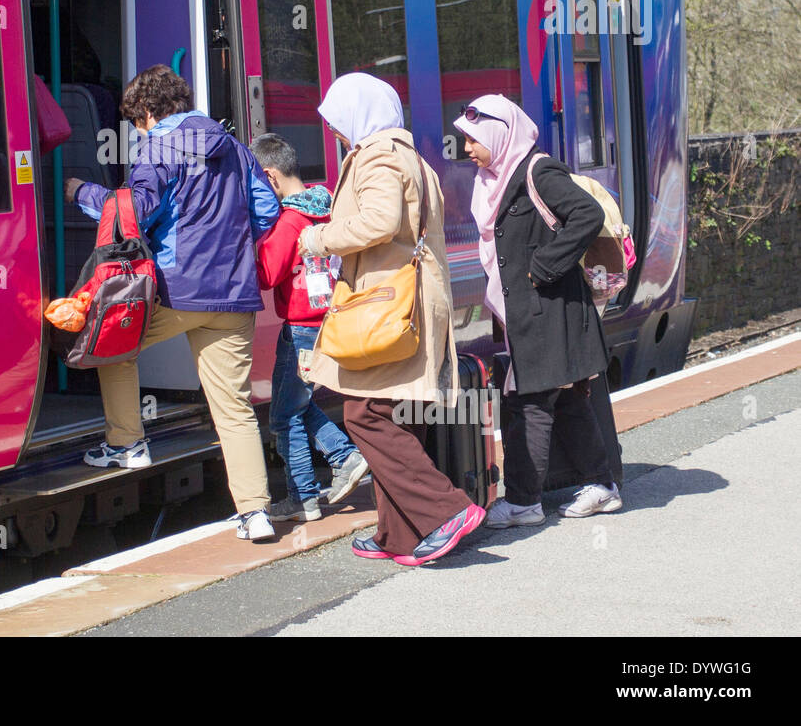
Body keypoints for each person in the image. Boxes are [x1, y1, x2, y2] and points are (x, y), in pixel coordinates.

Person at [64, 64, 282, 542]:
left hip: (176, 289)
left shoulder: (156, 149)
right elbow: (267, 211)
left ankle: (126, 442)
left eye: (136, 123)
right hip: (233, 292)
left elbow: (133, 214)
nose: (138, 131)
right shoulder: (236, 148)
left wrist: (82, 192)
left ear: (146, 112)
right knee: (234, 407)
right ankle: (255, 513)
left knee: (109, 340)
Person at [299, 73, 485, 565]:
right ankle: (398, 535)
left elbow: (380, 223)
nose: (337, 133)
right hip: (412, 300)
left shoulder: (378, 155)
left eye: (339, 122)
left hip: (389, 302)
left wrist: (318, 239)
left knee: (365, 414)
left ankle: (445, 511)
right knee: (399, 412)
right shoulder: (412, 158)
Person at [453, 94, 621, 527]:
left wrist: (544, 266)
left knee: (527, 403)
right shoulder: (494, 179)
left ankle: (525, 501)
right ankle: (601, 485)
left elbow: (586, 213)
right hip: (533, 313)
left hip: (551, 311)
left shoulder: (537, 170)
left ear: (498, 132)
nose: (466, 149)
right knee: (564, 399)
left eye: (473, 139)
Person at [251, 132, 369, 522]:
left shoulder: (289, 222)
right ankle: (343, 458)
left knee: (284, 415)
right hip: (327, 320)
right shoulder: (329, 206)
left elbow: (267, 274)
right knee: (297, 404)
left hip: (301, 326)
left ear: (269, 178)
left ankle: (305, 494)